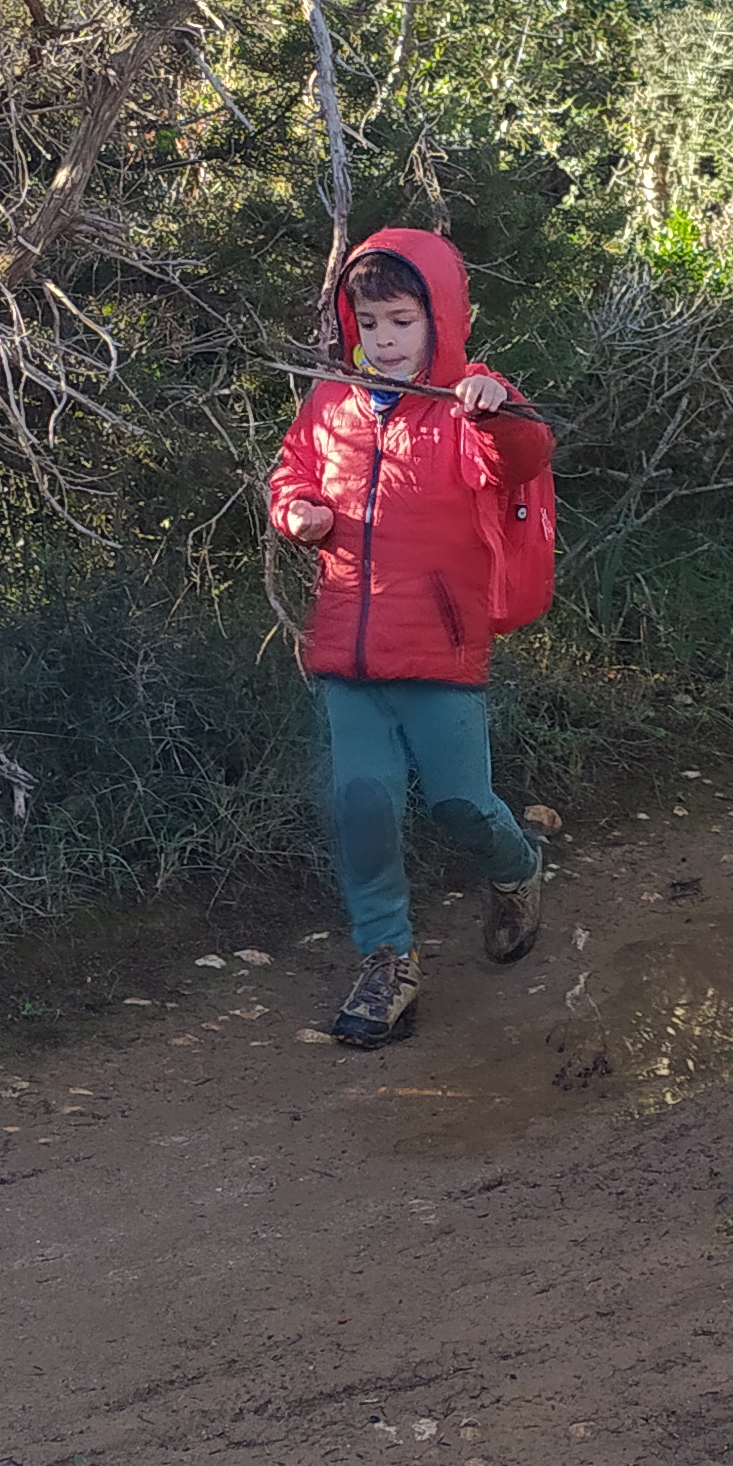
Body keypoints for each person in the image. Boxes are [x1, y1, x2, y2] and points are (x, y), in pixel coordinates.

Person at [267, 229, 555, 1047]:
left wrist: (495, 408)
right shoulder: (331, 401)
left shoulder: (472, 400)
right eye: (369, 322)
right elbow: (292, 469)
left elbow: (527, 455)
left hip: (441, 652)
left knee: (463, 804)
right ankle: (386, 958)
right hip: (348, 656)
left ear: (441, 319)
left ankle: (517, 865)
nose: (383, 340)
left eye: (401, 320)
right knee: (362, 805)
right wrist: (296, 512)